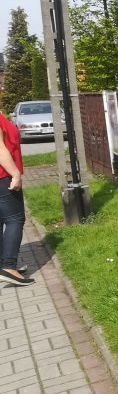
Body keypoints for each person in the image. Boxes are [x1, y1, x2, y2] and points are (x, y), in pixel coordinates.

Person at [0, 111, 34, 286]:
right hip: (2, 176)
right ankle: (8, 267)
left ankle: (3, 265)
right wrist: (15, 174)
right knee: (15, 219)